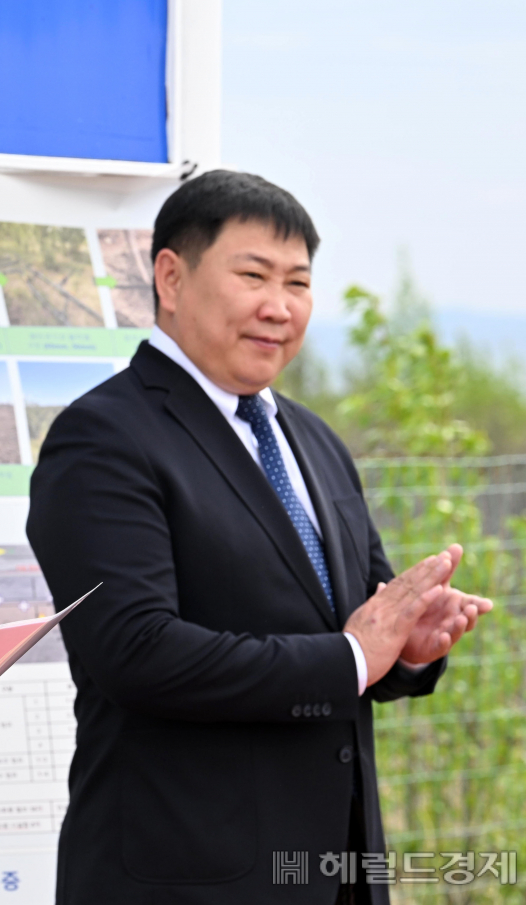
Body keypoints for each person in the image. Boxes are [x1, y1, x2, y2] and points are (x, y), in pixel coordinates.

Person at [27, 170, 492, 905]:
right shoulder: (105, 438)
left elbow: (355, 626)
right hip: (188, 878)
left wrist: (402, 647)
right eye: (253, 275)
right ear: (171, 278)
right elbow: (135, 651)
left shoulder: (311, 437)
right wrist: (348, 656)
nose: (279, 307)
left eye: (299, 283)